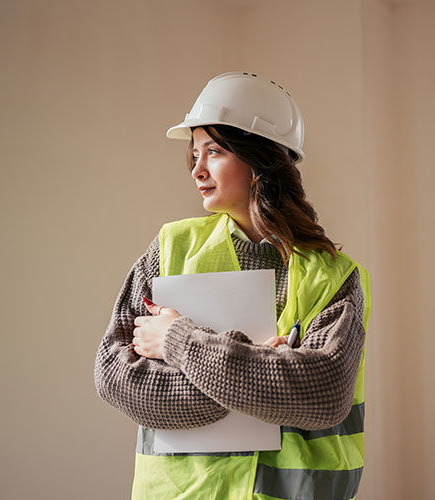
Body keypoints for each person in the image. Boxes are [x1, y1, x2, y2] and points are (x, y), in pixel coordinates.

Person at [94, 72, 371, 500]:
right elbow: (116, 377)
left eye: (214, 151)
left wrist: (177, 340)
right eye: (194, 153)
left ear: (261, 160)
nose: (197, 169)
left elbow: (323, 395)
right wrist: (262, 374)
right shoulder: (171, 248)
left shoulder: (333, 275)